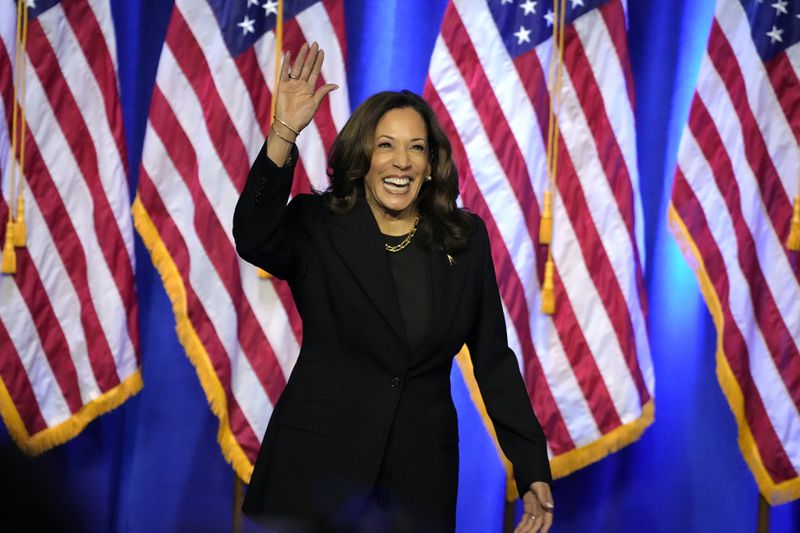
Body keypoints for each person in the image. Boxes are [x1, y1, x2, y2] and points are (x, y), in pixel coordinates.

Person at [233, 42, 554, 533]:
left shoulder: (464, 240)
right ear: (362, 157)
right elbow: (252, 235)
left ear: (430, 165)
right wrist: (284, 132)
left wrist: (531, 467)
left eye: (416, 148)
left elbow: (493, 361)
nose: (401, 162)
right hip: (319, 471)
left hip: (417, 481)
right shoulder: (317, 225)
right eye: (385, 145)